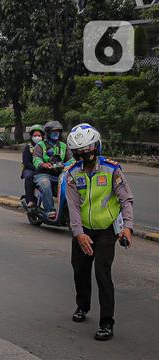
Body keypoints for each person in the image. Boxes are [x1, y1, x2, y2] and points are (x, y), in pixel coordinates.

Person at [65, 123, 134, 341]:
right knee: (80, 271)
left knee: (102, 274)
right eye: (79, 153)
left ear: (96, 148)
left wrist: (127, 227)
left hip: (106, 231)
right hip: (83, 230)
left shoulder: (112, 170)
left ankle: (106, 322)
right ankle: (82, 306)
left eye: (87, 151)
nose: (84, 157)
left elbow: (126, 200)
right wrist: (78, 233)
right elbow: (73, 206)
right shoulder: (72, 174)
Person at [33, 120, 74, 219]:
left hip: (60, 175)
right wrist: (43, 164)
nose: (56, 133)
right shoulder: (40, 145)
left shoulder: (64, 146)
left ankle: (68, 211)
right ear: (48, 132)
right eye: (54, 131)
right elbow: (36, 159)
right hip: (43, 174)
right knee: (45, 184)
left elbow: (72, 159)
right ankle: (50, 210)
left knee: (72, 187)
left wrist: (65, 164)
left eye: (58, 131)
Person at [21, 124, 44, 208]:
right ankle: (30, 200)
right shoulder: (28, 147)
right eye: (35, 135)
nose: (37, 137)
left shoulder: (45, 147)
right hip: (30, 169)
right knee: (29, 177)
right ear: (31, 136)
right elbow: (26, 162)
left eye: (39, 135)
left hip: (44, 168)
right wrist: (35, 168)